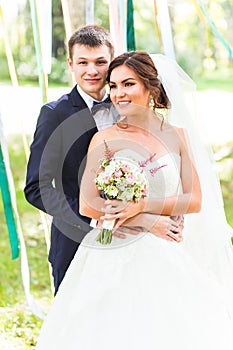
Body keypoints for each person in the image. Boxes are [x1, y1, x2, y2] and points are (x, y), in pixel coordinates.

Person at [35, 51, 233, 349]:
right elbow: (89, 204)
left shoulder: (177, 136)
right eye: (113, 86)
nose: (117, 94)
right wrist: (142, 219)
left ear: (151, 88)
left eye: (128, 84)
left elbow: (193, 199)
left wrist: (144, 206)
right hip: (110, 248)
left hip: (165, 251)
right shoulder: (105, 139)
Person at [24, 26, 183, 294]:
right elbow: (36, 187)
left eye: (100, 62)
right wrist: (96, 218)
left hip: (138, 241)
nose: (92, 71)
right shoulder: (55, 114)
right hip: (77, 238)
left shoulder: (129, 104)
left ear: (112, 62)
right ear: (71, 65)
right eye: (83, 62)